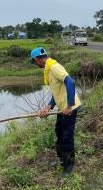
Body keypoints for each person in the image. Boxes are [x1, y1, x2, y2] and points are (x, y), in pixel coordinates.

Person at [33, 47, 81, 176]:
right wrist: (48, 107)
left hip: (69, 108)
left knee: (67, 136)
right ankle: (62, 160)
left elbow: (70, 82)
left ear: (38, 59)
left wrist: (69, 106)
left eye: (34, 61)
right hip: (62, 108)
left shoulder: (54, 67)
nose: (35, 64)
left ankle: (69, 167)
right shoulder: (49, 69)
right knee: (59, 131)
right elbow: (57, 92)